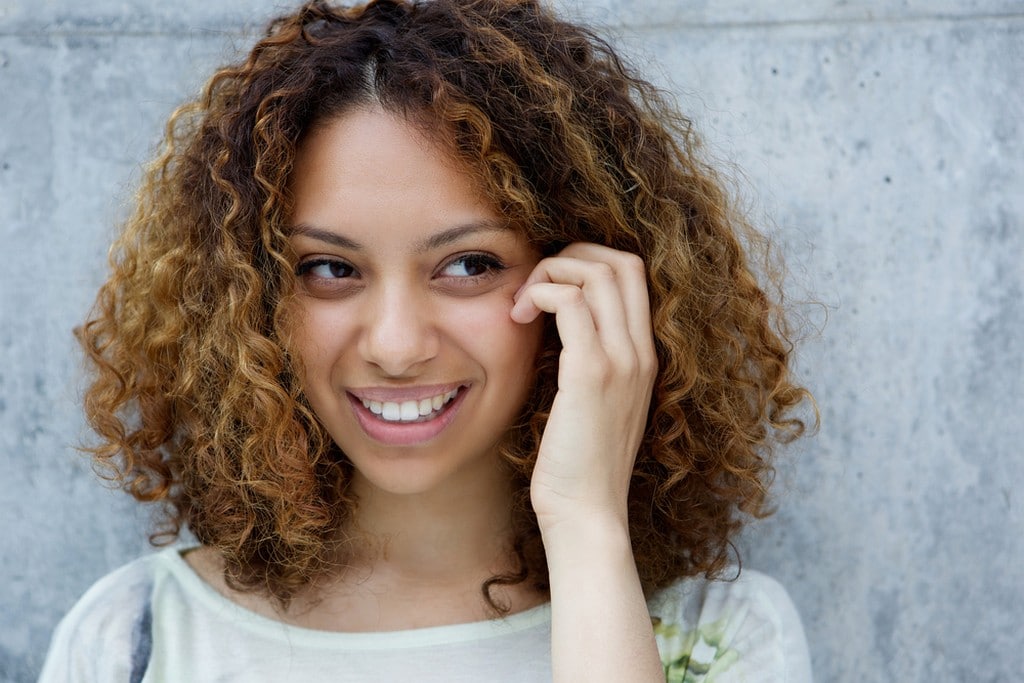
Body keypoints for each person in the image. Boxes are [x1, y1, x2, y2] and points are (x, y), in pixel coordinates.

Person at [39, 0, 815, 680]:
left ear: (579, 280)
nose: (397, 343)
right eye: (331, 267)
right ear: (245, 294)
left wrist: (584, 526)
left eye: (469, 264)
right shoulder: (133, 640)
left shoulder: (719, 637)